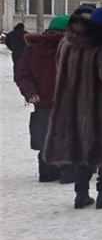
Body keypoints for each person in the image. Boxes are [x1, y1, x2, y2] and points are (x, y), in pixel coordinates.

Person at [43, 4, 102, 209]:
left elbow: (61, 69)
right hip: (100, 107)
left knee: (82, 148)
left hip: (72, 105)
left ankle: (81, 194)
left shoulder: (67, 44)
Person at [14, 15, 70, 183]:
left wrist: (30, 92)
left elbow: (22, 74)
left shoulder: (32, 48)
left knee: (46, 136)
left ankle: (48, 173)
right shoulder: (70, 47)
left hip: (42, 102)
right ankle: (67, 172)